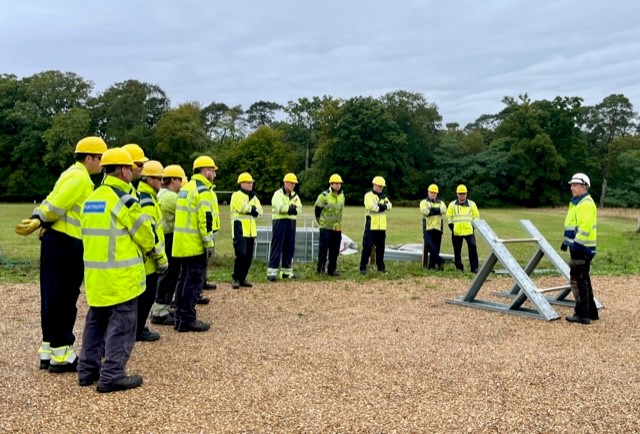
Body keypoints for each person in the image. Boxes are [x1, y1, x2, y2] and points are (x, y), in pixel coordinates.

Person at [15, 136, 107, 372]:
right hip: (67, 243)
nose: (102, 164)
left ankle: (48, 348)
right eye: (100, 159)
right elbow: (57, 203)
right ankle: (62, 352)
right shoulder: (80, 178)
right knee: (64, 298)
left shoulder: (71, 173)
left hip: (57, 241)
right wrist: (40, 218)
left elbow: (55, 200)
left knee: (51, 296)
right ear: (89, 158)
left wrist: (42, 219)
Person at [77, 147, 155, 392]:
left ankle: (86, 371)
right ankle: (112, 375)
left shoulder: (92, 199)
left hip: (96, 276)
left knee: (96, 323)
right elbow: (146, 236)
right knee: (122, 326)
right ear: (123, 170)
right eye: (131, 169)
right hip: (121, 278)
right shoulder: (125, 199)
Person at [172, 156, 219, 332]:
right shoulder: (203, 190)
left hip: (181, 244)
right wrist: (209, 244)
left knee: (182, 280)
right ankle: (187, 319)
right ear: (205, 171)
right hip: (195, 244)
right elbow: (205, 220)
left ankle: (178, 317)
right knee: (193, 283)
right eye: (212, 170)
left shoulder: (186, 188)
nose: (214, 174)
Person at [135, 161, 169, 341]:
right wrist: (160, 258)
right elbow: (151, 232)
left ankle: (137, 327)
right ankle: (138, 330)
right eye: (158, 178)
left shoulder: (146, 196)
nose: (162, 182)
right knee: (146, 297)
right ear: (149, 179)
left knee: (144, 297)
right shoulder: (147, 201)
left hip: (146, 257)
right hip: (149, 259)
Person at [150, 164, 186, 326]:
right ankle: (159, 311)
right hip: (168, 237)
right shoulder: (171, 197)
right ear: (172, 180)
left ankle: (161, 306)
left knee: (167, 274)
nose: (182, 183)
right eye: (180, 180)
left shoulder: (162, 194)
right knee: (169, 274)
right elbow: (186, 212)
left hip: (164, 236)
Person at [562, 173, 599, 324]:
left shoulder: (585, 204)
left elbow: (584, 228)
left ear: (583, 186)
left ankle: (582, 314)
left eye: (574, 185)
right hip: (581, 247)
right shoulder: (578, 203)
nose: (571, 187)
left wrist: (576, 244)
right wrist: (567, 242)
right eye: (571, 185)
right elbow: (573, 225)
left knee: (577, 281)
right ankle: (591, 312)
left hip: (582, 249)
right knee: (584, 279)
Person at [267, 173, 303, 281]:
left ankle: (286, 272)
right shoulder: (277, 194)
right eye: (291, 183)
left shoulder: (295, 195)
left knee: (289, 247)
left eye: (294, 184)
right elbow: (280, 208)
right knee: (277, 246)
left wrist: (291, 209)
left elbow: (300, 209)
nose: (293, 185)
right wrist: (290, 208)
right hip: (279, 222)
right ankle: (272, 272)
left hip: (291, 223)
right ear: (285, 182)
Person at [230, 172, 262, 289]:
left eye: (251, 183)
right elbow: (242, 208)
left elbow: (260, 210)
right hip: (239, 229)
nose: (250, 185)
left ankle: (243, 278)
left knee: (248, 257)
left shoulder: (253, 196)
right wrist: (252, 209)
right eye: (248, 183)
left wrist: (254, 210)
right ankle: (236, 278)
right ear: (241, 183)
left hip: (251, 231)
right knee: (241, 255)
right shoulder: (236, 195)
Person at [359, 176, 392, 275]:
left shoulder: (384, 196)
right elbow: (372, 207)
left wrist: (381, 206)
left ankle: (381, 267)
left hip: (381, 227)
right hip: (371, 226)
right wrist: (383, 207)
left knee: (381, 248)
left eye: (382, 186)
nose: (380, 188)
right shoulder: (368, 195)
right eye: (378, 186)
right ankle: (363, 267)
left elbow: (390, 206)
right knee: (367, 247)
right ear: (374, 185)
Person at [314, 174, 345, 276]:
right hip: (325, 228)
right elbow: (317, 209)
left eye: (339, 183)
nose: (338, 185)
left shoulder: (342, 196)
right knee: (323, 250)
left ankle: (332, 270)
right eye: (336, 183)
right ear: (331, 184)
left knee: (335, 251)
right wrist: (321, 222)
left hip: (337, 228)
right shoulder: (323, 196)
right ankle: (321, 269)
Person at [446, 184, 480, 273]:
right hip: (456, 231)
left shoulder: (472, 204)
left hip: (469, 231)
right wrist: (452, 227)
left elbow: (476, 216)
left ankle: (474, 267)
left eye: (463, 193)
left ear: (466, 194)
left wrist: (473, 227)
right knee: (457, 250)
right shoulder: (452, 205)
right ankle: (459, 267)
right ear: (457, 194)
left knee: (473, 247)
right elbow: (449, 216)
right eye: (460, 194)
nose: (462, 195)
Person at [420, 183, 447, 270]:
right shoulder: (423, 202)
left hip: (438, 228)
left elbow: (444, 210)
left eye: (435, 193)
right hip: (428, 228)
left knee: (436, 247)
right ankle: (440, 260)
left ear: (437, 194)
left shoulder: (441, 202)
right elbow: (425, 212)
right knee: (428, 244)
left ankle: (432, 266)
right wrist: (437, 211)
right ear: (428, 192)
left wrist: (432, 210)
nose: (433, 194)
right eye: (431, 192)